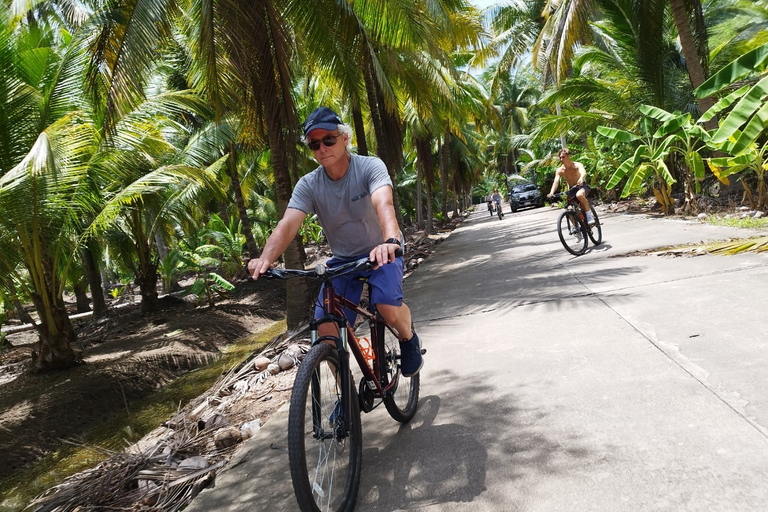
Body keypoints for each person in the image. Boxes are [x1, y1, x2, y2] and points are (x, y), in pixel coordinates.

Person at [247, 106, 423, 377]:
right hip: (344, 260)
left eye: (328, 139)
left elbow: (384, 204)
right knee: (326, 331)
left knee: (386, 306)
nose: (322, 148)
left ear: (344, 138)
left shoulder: (369, 166)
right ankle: (346, 398)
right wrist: (265, 259)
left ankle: (408, 338)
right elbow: (288, 224)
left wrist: (389, 241)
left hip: (382, 251)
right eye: (314, 144)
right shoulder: (309, 184)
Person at [547, 148, 594, 225]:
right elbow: (556, 181)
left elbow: (583, 173)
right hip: (572, 189)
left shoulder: (577, 165)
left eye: (563, 157)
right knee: (569, 210)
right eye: (560, 157)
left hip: (581, 186)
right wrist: (551, 192)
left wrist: (581, 178)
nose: (561, 159)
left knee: (579, 195)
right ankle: (576, 228)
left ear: (569, 156)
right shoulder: (560, 170)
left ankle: (589, 215)